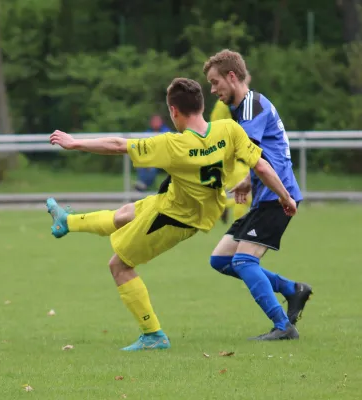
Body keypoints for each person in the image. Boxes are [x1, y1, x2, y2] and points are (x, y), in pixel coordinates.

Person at [46, 77, 298, 351]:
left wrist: (74, 143)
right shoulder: (229, 130)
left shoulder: (173, 145)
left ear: (173, 111)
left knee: (118, 266)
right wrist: (286, 197)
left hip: (176, 218)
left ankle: (153, 334)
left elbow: (119, 145)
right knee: (125, 214)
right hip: (175, 202)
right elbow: (261, 166)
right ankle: (66, 222)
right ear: (201, 105)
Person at [203, 49, 312, 340]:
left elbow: (254, 157)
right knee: (221, 260)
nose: (213, 90)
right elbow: (265, 156)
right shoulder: (245, 108)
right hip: (267, 194)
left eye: (215, 83)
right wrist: (248, 183)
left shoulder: (250, 105)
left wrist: (285, 197)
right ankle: (292, 289)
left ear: (232, 76)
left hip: (277, 197)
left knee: (243, 262)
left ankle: (283, 326)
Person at [210, 82, 252, 223]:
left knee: (242, 195)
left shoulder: (247, 102)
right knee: (242, 195)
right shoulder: (224, 105)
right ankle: (238, 229)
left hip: (239, 156)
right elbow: (218, 131)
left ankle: (224, 208)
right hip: (232, 157)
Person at [134, 114, 171, 191]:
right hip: (150, 156)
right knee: (140, 162)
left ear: (161, 122)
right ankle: (142, 184)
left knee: (151, 166)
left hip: (164, 156)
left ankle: (143, 185)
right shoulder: (148, 132)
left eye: (157, 121)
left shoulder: (166, 131)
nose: (156, 123)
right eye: (154, 121)